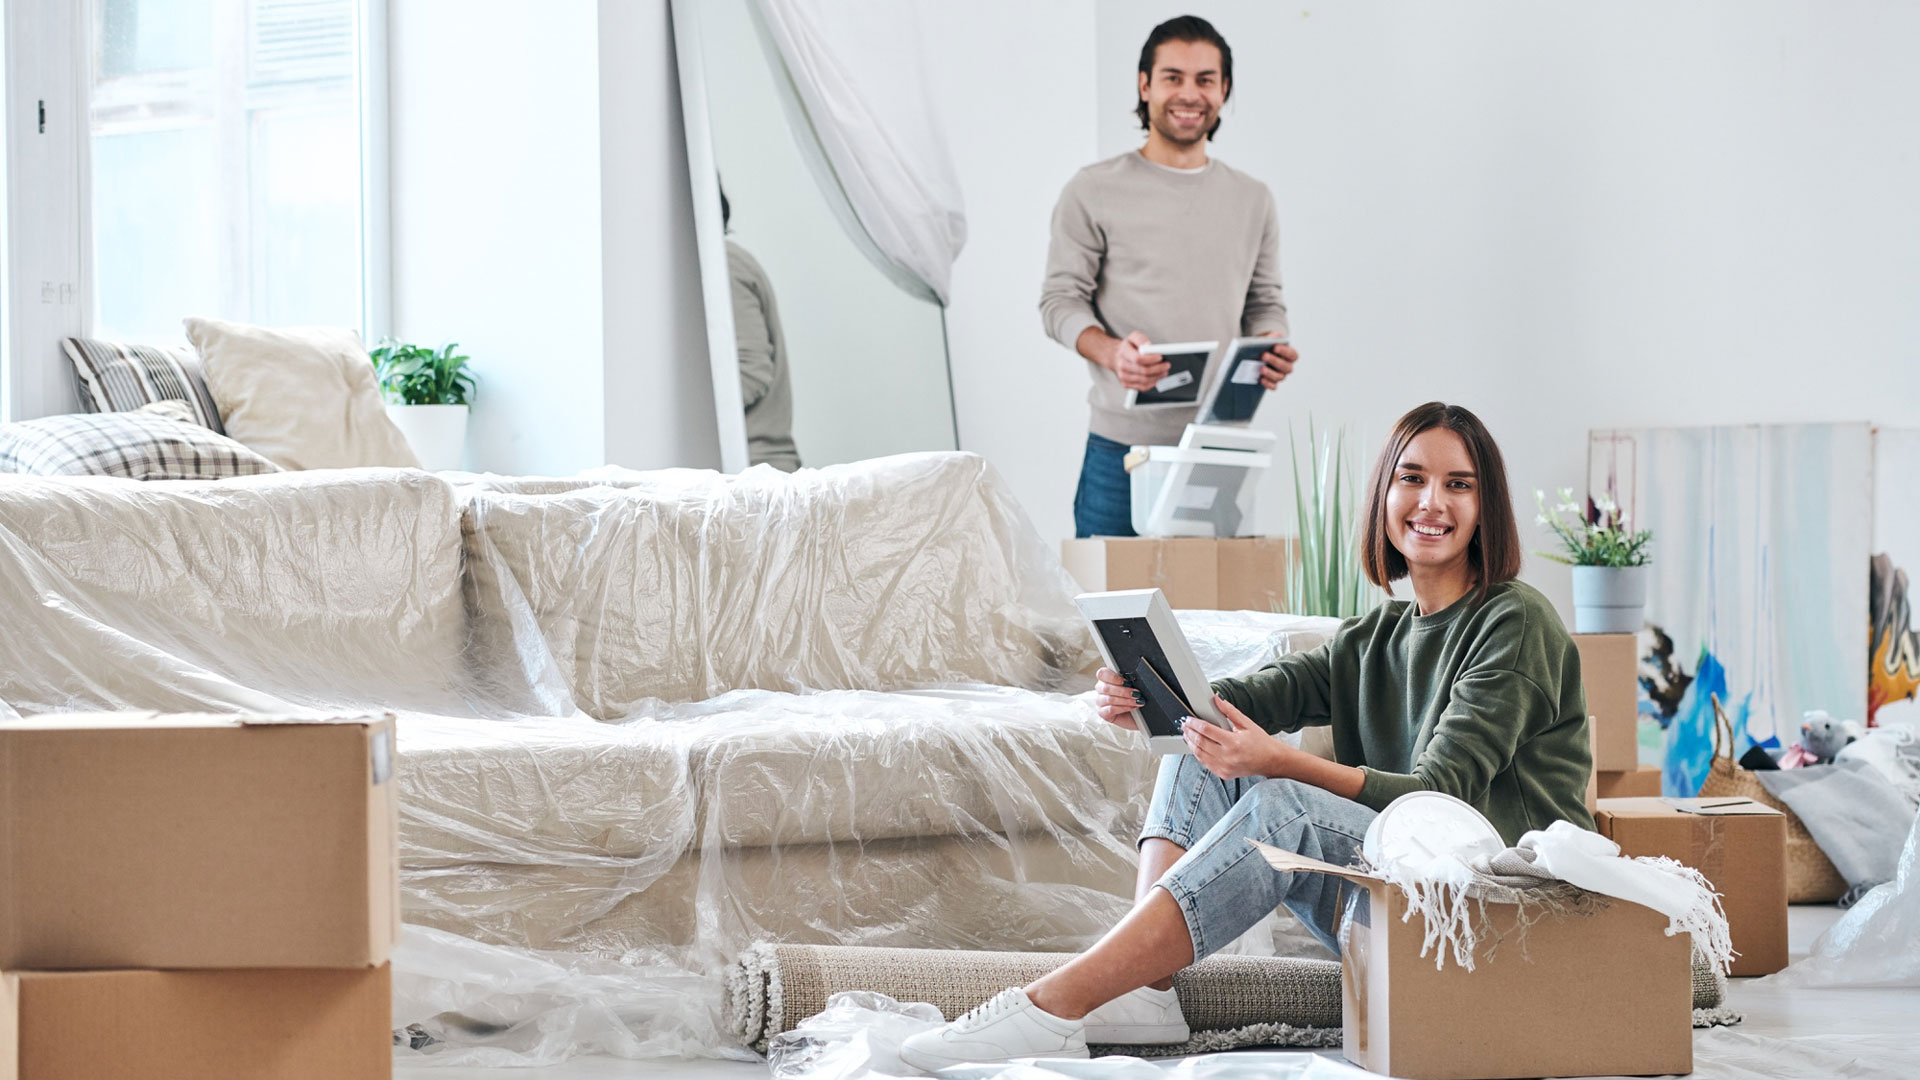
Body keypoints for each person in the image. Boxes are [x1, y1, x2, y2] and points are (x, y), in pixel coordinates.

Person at [899, 402, 1596, 1069]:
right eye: (1411, 478)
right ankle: (1148, 992)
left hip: (1493, 910)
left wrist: (1278, 760)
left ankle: (1053, 1005)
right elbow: (1247, 698)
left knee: (1282, 806)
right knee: (1203, 732)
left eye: (1459, 486)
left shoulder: (1514, 622)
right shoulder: (1374, 636)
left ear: (1486, 508)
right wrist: (1148, 697)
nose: (1431, 503)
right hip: (1400, 902)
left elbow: (1439, 794)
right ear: (1384, 496)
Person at [1039, 15, 1299, 539]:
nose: (1189, 93)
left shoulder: (1253, 199)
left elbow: (1265, 302)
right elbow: (1059, 303)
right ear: (1145, 85)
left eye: (1205, 79)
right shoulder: (1093, 190)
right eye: (1173, 77)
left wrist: (1270, 343)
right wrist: (1113, 353)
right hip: (1123, 452)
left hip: (1220, 448)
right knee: (1111, 615)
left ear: (1224, 90)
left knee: (1218, 619)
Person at [723, 188, 802, 472]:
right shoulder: (726, 262)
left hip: (754, 473)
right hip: (752, 473)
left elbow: (751, 370)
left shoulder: (724, 264)